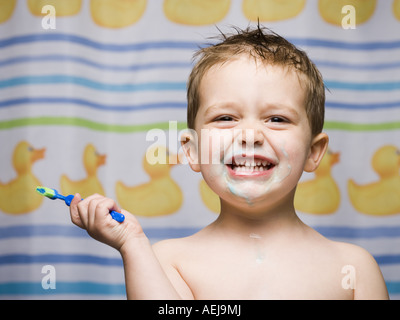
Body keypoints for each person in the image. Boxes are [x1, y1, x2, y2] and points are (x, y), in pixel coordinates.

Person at [69, 25, 389, 299]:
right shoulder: (168, 261)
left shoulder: (354, 268)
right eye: (225, 118)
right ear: (192, 150)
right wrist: (131, 244)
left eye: (276, 118)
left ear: (313, 152)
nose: (250, 135)